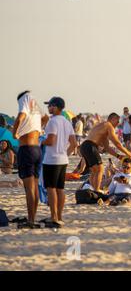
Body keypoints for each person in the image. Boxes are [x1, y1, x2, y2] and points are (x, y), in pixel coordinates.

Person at [41, 97, 77, 228]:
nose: (48, 108)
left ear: (55, 107)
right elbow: (74, 144)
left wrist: (40, 141)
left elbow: (50, 141)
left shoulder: (52, 122)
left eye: (49, 105)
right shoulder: (67, 122)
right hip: (62, 160)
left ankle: (53, 216)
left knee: (51, 189)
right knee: (60, 189)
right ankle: (59, 216)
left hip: (51, 159)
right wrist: (64, 154)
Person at [12, 91, 46, 228]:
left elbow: (20, 117)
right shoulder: (35, 105)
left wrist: (15, 133)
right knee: (35, 186)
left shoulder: (24, 99)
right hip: (37, 149)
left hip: (26, 149)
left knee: (29, 188)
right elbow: (46, 118)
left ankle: (31, 221)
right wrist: (37, 128)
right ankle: (32, 218)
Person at [79, 113, 131, 192]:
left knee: (94, 170)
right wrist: (128, 153)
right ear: (112, 119)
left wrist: (118, 156)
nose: (118, 123)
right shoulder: (108, 125)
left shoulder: (102, 127)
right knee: (100, 169)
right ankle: (97, 190)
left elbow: (107, 148)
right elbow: (117, 143)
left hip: (84, 146)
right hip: (90, 146)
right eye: (117, 120)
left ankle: (93, 189)